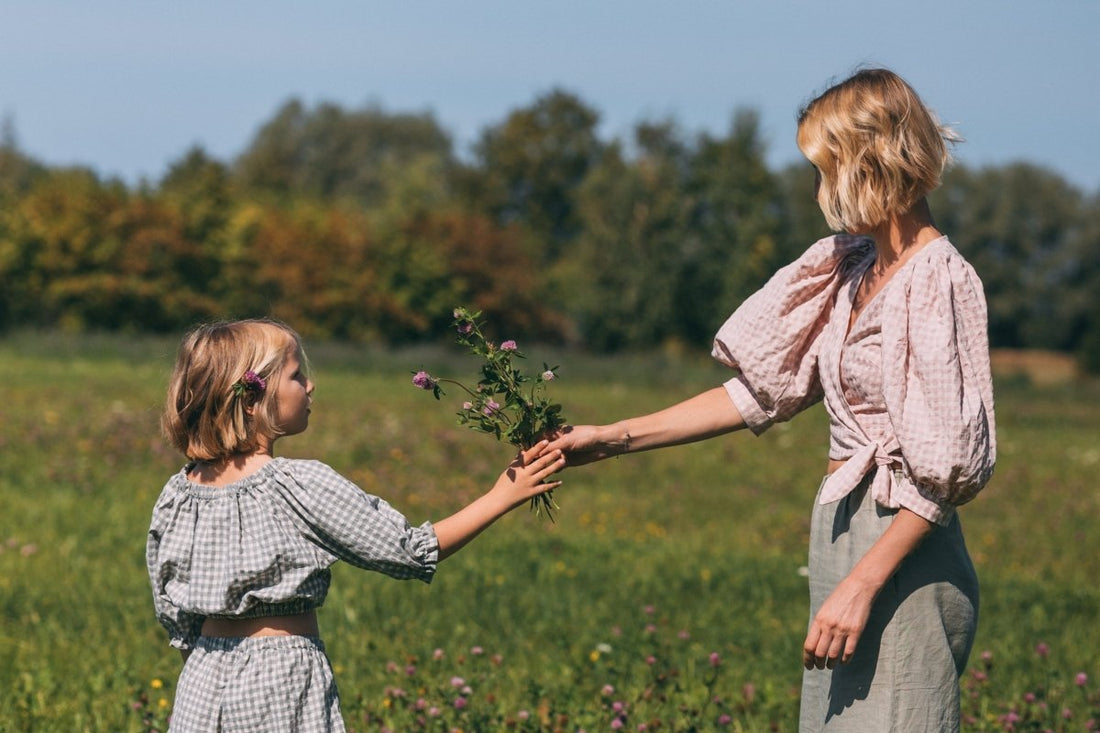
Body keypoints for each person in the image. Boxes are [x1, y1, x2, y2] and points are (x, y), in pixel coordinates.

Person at [548, 68, 995, 732]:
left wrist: (864, 582)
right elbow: (758, 394)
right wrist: (613, 437)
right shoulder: (851, 268)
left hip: (900, 552)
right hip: (843, 535)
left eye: (825, 170)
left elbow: (947, 469)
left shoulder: (938, 281)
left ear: (870, 163)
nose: (819, 192)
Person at [147, 318, 565, 732]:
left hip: (200, 685)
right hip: (279, 682)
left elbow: (173, 613)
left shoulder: (177, 493)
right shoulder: (296, 485)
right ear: (253, 398)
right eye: (296, 375)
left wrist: (212, 666)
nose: (310, 386)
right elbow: (409, 551)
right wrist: (502, 496)